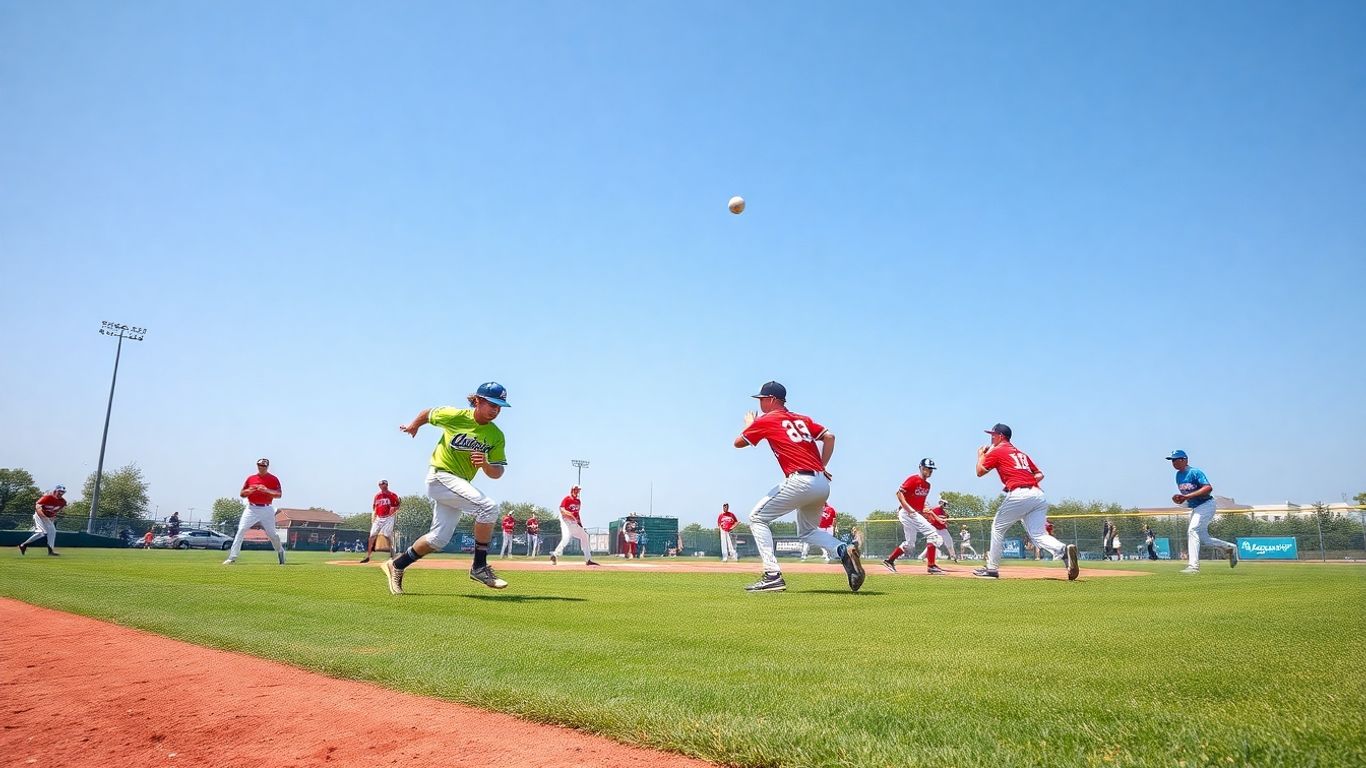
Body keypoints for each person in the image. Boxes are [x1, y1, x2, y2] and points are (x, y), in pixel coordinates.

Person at [381, 382, 513, 595]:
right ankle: (479, 567)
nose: (495, 410)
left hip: (458, 486)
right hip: (440, 476)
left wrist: (486, 465)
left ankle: (397, 564)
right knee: (489, 507)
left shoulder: (496, 435)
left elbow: (498, 472)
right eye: (492, 404)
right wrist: (414, 425)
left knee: (438, 539)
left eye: (499, 406)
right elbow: (429, 413)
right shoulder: (455, 415)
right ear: (477, 401)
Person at [733, 380, 863, 593]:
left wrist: (749, 424)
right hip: (821, 482)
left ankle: (772, 575)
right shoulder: (802, 419)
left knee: (757, 518)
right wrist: (821, 466)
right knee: (809, 531)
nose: (760, 404)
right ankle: (842, 550)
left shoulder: (767, 419)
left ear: (772, 399)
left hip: (800, 481)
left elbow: (738, 443)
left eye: (762, 400)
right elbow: (829, 437)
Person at [973, 424, 1077, 580]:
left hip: (1019, 494)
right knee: (1038, 534)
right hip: (1038, 495)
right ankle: (1063, 550)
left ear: (1001, 436)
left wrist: (980, 455)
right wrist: (1025, 481)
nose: (991, 437)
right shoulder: (1021, 454)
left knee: (997, 528)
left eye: (993, 435)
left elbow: (979, 472)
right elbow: (1040, 474)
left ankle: (992, 569)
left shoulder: (997, 451)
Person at [1166, 450, 1238, 573]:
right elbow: (1188, 496)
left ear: (1185, 460)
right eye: (1172, 460)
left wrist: (1187, 497)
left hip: (1207, 505)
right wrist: (1180, 500)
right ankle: (1230, 548)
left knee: (1192, 530)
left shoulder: (1194, 472)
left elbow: (1208, 488)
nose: (1173, 462)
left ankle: (1193, 567)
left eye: (1176, 459)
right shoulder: (1178, 476)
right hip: (1196, 508)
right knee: (1205, 539)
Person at [883, 458, 947, 574]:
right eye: (928, 468)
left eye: (932, 469)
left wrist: (933, 516)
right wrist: (908, 508)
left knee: (910, 544)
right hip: (907, 513)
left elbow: (920, 506)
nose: (930, 471)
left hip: (913, 514)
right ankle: (931, 566)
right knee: (933, 534)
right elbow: (899, 493)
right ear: (921, 468)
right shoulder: (913, 479)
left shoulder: (927, 485)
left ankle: (889, 560)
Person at [225, 458, 287, 565]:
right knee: (241, 530)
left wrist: (266, 490)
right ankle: (232, 557)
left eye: (263, 466)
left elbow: (279, 495)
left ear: (267, 467)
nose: (261, 467)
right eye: (259, 465)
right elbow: (242, 494)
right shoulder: (251, 478)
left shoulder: (273, 479)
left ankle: (280, 551)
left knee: (272, 534)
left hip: (266, 508)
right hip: (251, 508)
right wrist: (250, 490)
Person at [549, 485, 599, 566]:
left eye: (578, 490)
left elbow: (577, 514)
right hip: (566, 521)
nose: (577, 491)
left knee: (585, 536)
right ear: (571, 490)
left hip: (574, 522)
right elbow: (562, 510)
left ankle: (588, 559)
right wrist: (570, 514)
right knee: (566, 537)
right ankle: (555, 555)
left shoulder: (578, 501)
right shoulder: (567, 499)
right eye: (575, 489)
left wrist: (580, 525)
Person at [19, 485, 67, 556]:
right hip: (39, 516)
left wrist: (53, 516)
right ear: (55, 491)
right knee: (42, 532)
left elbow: (56, 510)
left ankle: (50, 550)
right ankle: (24, 545)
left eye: (62, 492)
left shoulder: (63, 502)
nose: (61, 493)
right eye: (59, 491)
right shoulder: (48, 497)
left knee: (50, 532)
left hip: (47, 517)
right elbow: (38, 506)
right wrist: (43, 516)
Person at [360, 480, 399, 563]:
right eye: (380, 485)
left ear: (387, 485)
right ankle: (368, 556)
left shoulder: (392, 495)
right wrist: (373, 515)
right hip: (378, 518)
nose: (381, 486)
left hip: (389, 518)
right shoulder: (377, 496)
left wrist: (394, 509)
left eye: (383, 484)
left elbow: (397, 505)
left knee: (387, 536)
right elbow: (374, 507)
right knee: (372, 536)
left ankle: (393, 554)